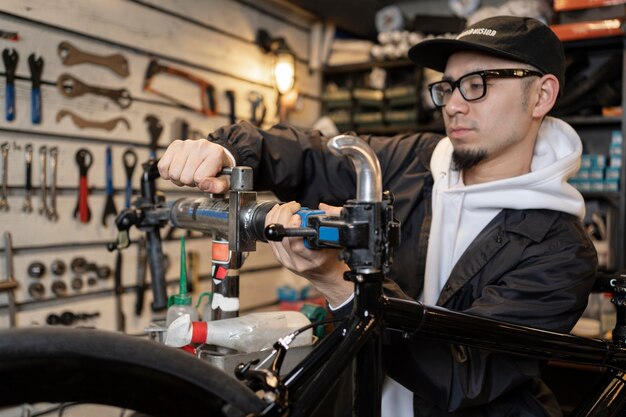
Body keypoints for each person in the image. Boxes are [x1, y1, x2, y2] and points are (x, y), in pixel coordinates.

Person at [158, 15, 597, 417]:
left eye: (478, 84)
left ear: (542, 95)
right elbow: (308, 156)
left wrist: (341, 283)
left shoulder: (560, 248)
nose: (454, 105)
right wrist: (225, 149)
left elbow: (462, 373)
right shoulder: (414, 160)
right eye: (447, 87)